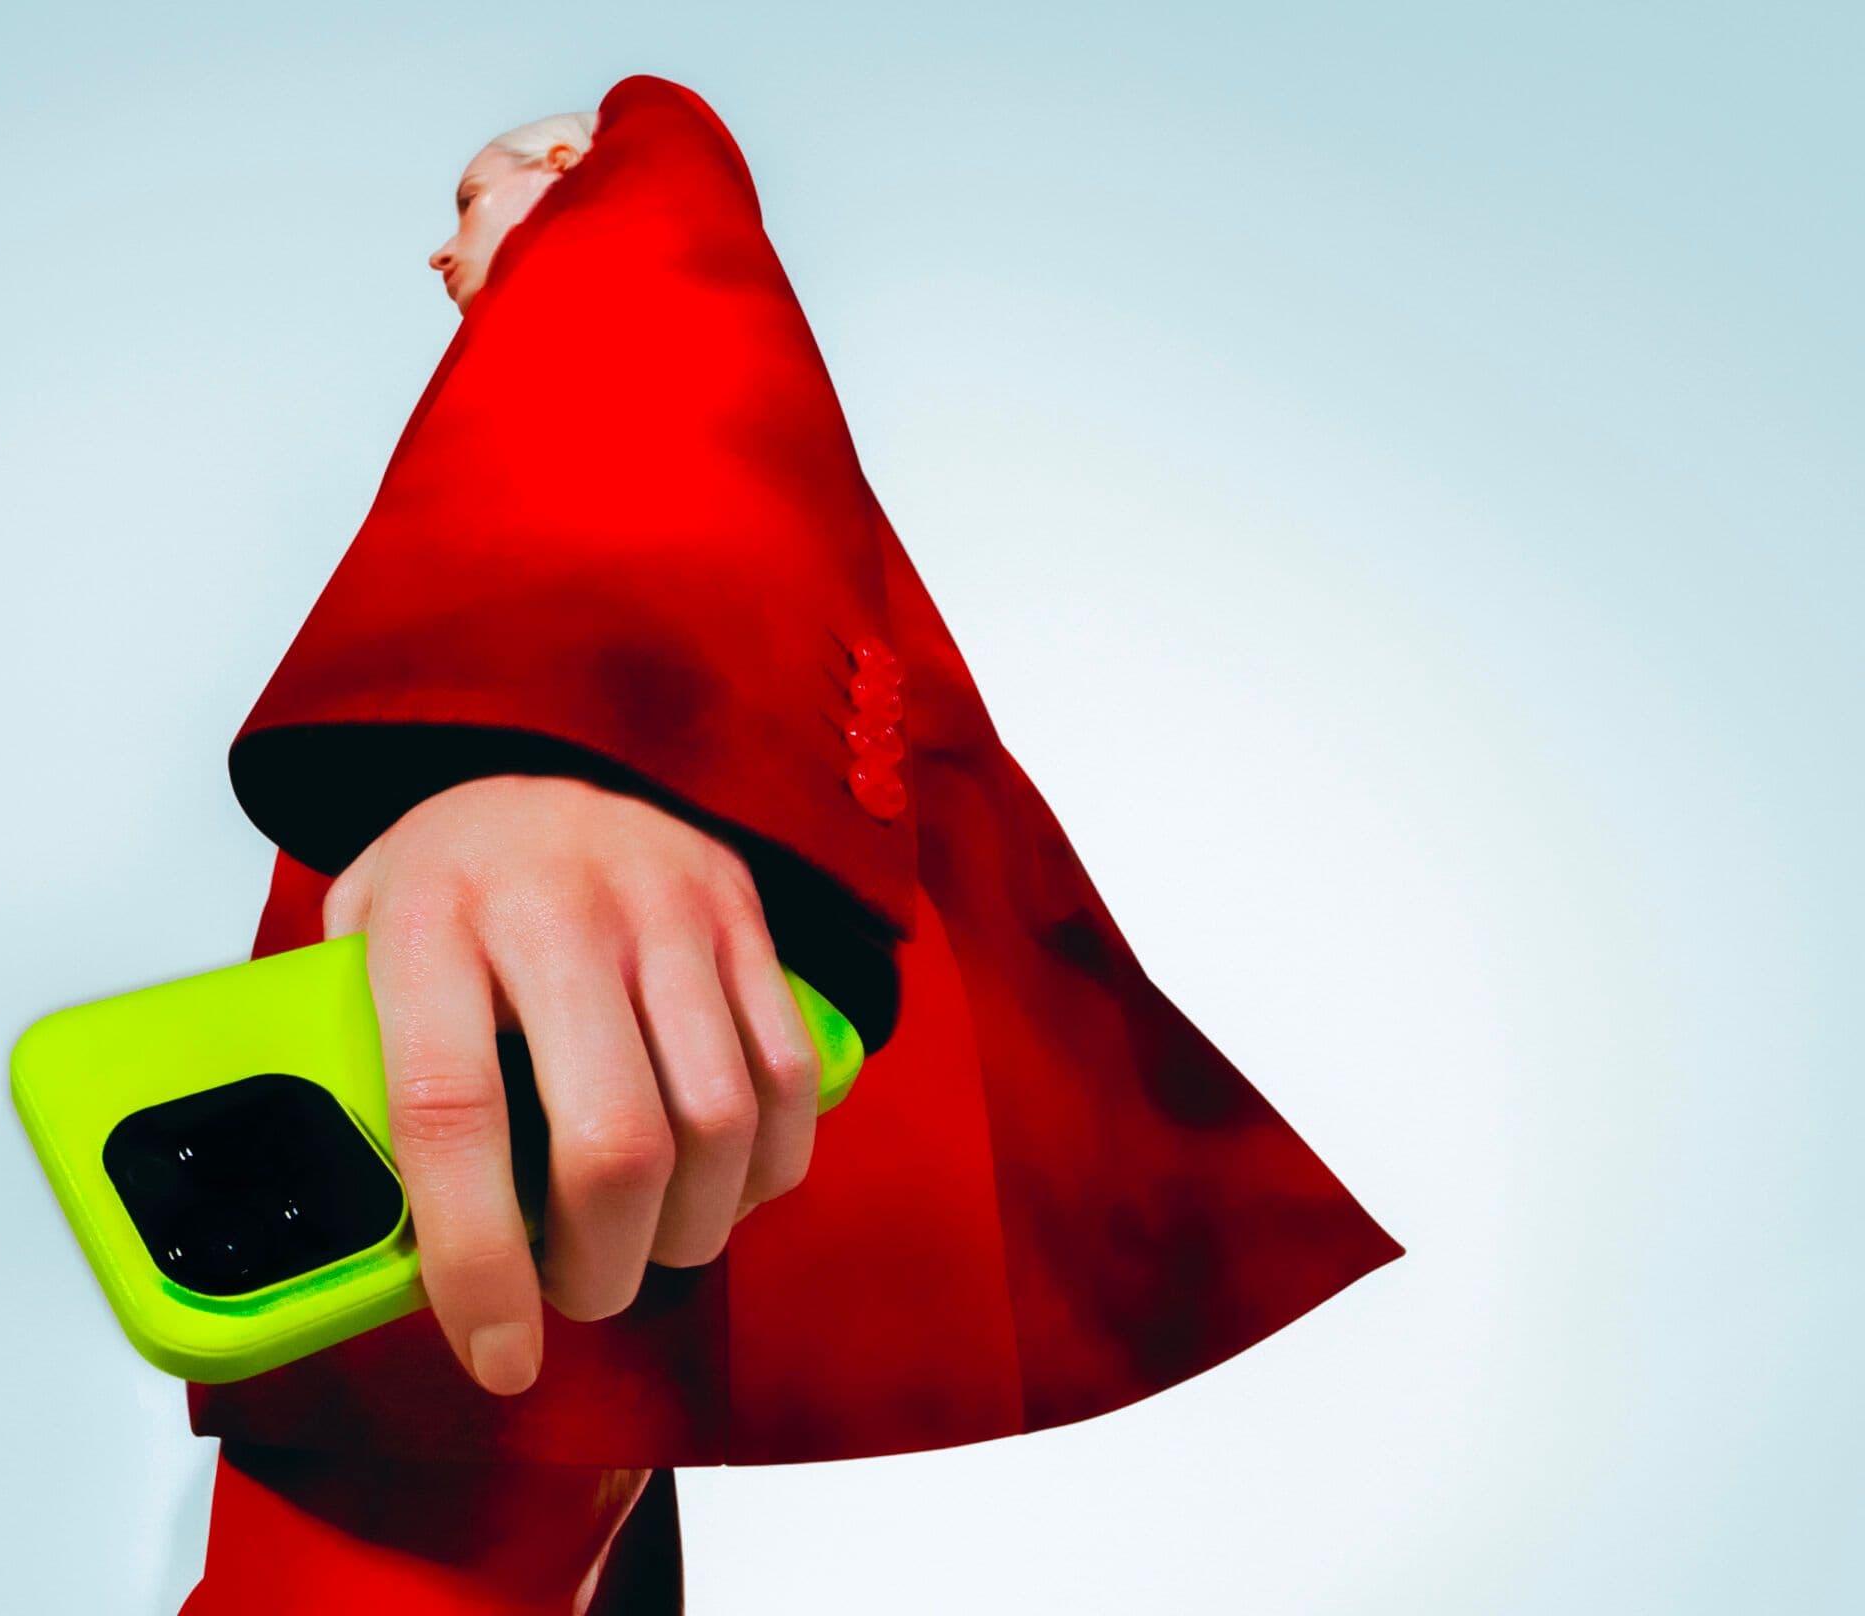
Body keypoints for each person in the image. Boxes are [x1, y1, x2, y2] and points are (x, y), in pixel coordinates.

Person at [176, 75, 1401, 1614]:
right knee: (546, 1460)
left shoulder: (627, 205)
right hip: (700, 963)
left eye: (468, 200)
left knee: (419, 1491)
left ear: (564, 164)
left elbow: (650, 376)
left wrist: (551, 752)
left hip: (578, 948)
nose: (440, 251)